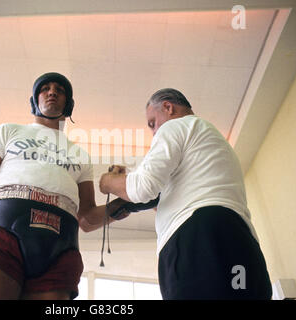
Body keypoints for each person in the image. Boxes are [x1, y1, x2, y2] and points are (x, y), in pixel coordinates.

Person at [0, 72, 124, 300]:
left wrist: (129, 202)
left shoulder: (81, 155)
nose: (52, 92)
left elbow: (88, 218)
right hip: (4, 232)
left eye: (59, 90)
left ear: (69, 104)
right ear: (34, 99)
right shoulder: (8, 131)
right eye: (45, 88)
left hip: (61, 247)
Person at [99, 88, 272, 300]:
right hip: (241, 243)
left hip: (196, 240)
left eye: (152, 123)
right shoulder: (214, 142)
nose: (154, 132)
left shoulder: (175, 126)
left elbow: (142, 188)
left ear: (168, 108)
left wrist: (108, 183)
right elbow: (173, 194)